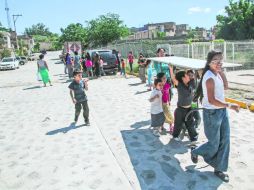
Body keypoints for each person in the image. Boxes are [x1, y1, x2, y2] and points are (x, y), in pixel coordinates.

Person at [191, 50, 240, 183]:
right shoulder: (209, 77)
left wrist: (221, 71)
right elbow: (212, 100)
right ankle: (196, 151)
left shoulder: (216, 74)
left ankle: (219, 169)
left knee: (225, 140)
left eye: (221, 60)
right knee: (214, 144)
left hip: (221, 111)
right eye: (216, 60)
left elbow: (226, 86)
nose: (219, 62)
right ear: (209, 62)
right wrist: (229, 105)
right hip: (212, 113)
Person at [169, 67, 198, 144]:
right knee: (178, 124)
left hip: (189, 109)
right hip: (180, 110)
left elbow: (195, 76)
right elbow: (173, 78)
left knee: (190, 124)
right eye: (187, 75)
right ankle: (175, 136)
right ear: (183, 78)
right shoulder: (180, 85)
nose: (189, 76)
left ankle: (193, 138)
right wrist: (171, 69)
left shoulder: (191, 83)